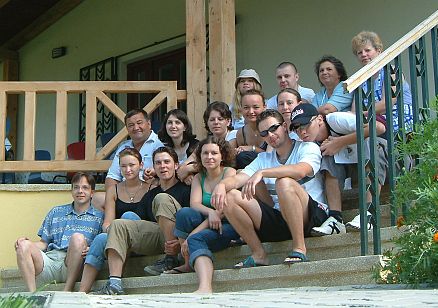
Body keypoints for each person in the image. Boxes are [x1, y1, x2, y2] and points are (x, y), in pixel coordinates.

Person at [211, 109, 328, 267]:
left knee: (284, 182)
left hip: (311, 215)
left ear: (285, 126)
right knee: (230, 196)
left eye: (274, 128)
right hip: (280, 218)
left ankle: (300, 248)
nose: (271, 135)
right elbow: (239, 179)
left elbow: (301, 171)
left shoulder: (307, 147)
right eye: (265, 133)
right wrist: (221, 186)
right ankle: (259, 254)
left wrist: (263, 172)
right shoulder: (263, 158)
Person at [96, 147, 190, 295]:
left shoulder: (186, 189)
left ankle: (171, 259)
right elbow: (138, 222)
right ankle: (114, 283)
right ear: (153, 167)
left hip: (180, 239)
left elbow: (192, 220)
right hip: (158, 237)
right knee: (119, 224)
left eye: (167, 162)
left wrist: (181, 241)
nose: (163, 166)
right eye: (158, 163)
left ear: (176, 165)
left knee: (162, 198)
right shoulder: (151, 193)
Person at [290, 103, 387, 235]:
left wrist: (339, 142)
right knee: (327, 156)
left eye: (306, 124)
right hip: (355, 167)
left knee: (373, 144)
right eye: (297, 128)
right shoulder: (308, 145)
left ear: (319, 119)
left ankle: (369, 213)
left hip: (389, 160)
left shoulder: (335, 119)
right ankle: (335, 218)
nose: (302, 131)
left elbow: (379, 128)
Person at [167, 136, 238, 293]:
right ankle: (187, 262)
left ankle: (205, 287)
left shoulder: (229, 173)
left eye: (214, 153)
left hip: (228, 224)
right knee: (184, 213)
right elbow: (195, 204)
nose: (209, 157)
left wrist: (192, 235)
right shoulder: (199, 177)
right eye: (205, 153)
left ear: (222, 156)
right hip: (209, 220)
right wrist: (211, 212)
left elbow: (225, 208)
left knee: (196, 239)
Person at [79, 148, 153, 293]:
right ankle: (82, 291)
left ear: (141, 165)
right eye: (123, 166)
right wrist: (113, 233)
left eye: (132, 165)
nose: (128, 169)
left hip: (143, 240)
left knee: (128, 217)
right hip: (121, 240)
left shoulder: (151, 187)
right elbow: (107, 222)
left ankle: (115, 282)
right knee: (101, 238)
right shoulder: (113, 190)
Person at [15, 172, 103, 292]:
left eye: (85, 188)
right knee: (23, 245)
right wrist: (25, 243)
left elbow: (102, 244)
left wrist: (92, 249)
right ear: (71, 191)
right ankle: (32, 294)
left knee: (77, 238)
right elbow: (43, 243)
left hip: (74, 264)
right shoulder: (56, 212)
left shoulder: (99, 217)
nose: (80, 191)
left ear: (92, 193)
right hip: (50, 262)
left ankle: (67, 291)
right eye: (76, 187)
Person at [351, 31, 413, 133]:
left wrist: (360, 114)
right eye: (359, 52)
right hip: (372, 121)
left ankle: (338, 143)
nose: (363, 54)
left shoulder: (391, 72)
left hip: (398, 119)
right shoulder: (361, 81)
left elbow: (386, 105)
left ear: (378, 51)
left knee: (364, 127)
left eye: (367, 50)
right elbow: (354, 109)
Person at [177, 102, 236, 183]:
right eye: (212, 120)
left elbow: (222, 161)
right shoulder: (208, 141)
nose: (216, 122)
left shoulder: (233, 136)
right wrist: (186, 171)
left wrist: (189, 169)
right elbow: (190, 159)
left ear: (228, 121)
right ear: (207, 123)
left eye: (220, 119)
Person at [232, 89, 267, 169]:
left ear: (264, 107)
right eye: (246, 107)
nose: (251, 111)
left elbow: (275, 156)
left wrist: (252, 148)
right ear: (241, 109)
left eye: (256, 107)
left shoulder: (271, 129)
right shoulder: (241, 133)